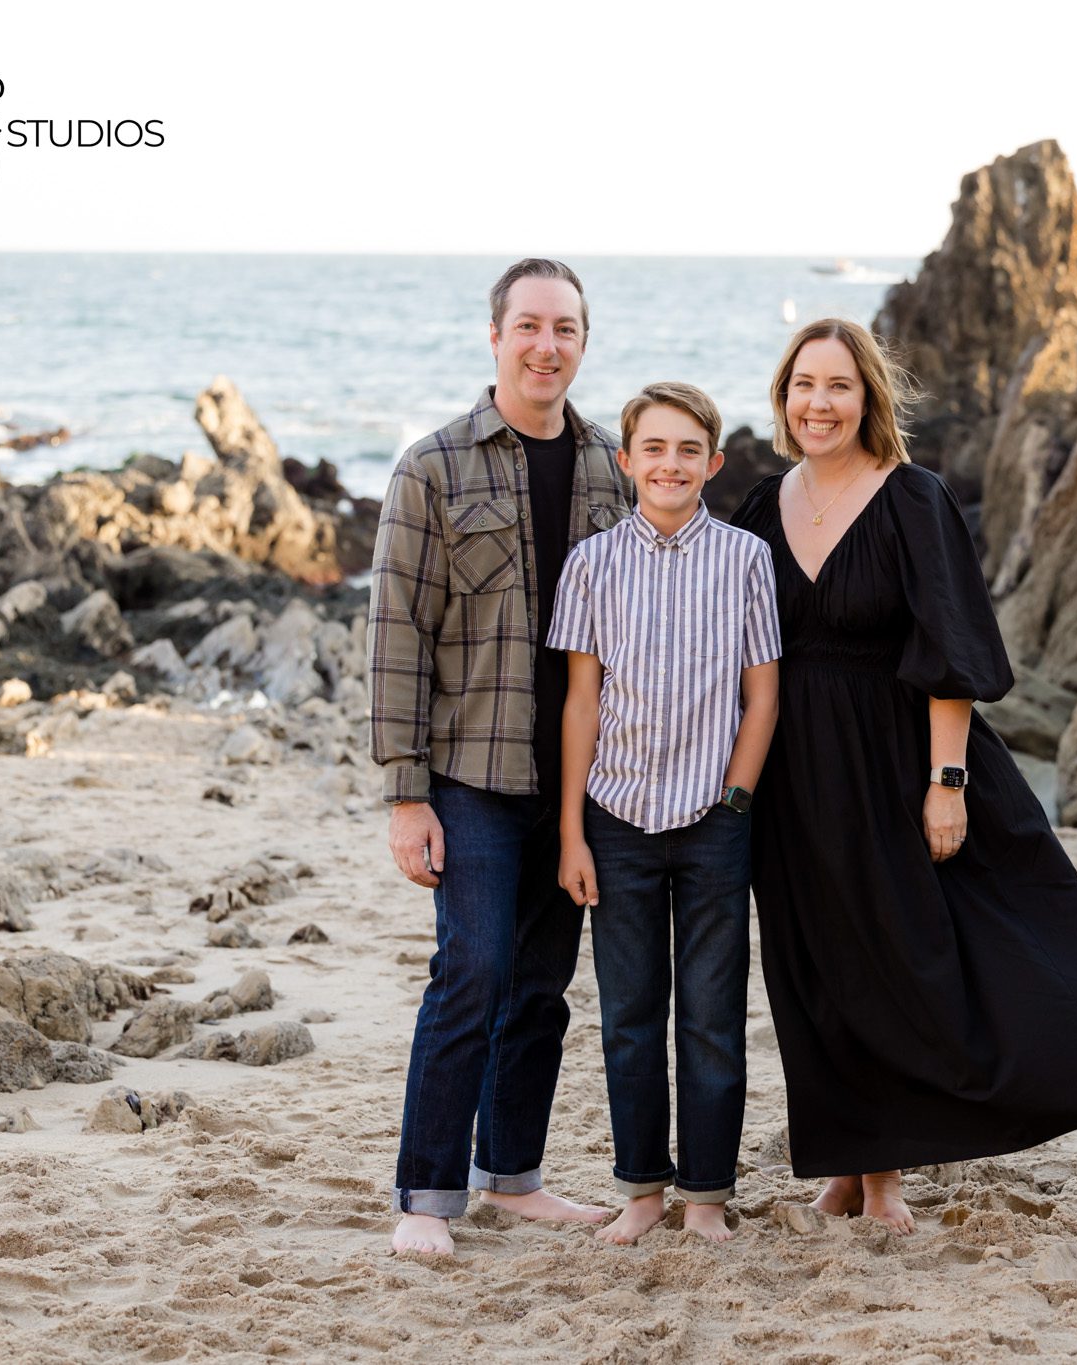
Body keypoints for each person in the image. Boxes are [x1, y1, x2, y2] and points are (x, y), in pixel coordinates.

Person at [730, 318, 1077, 1233]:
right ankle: (844, 1161)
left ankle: (886, 1180)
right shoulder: (761, 505)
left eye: (838, 386)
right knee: (813, 964)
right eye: (804, 386)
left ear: (868, 396)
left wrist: (946, 779)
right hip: (795, 771)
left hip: (896, 757)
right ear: (783, 397)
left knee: (900, 957)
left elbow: (950, 646)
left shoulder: (913, 498)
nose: (818, 403)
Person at [367, 258, 632, 1257]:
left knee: (539, 990)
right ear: (494, 337)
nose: (545, 345)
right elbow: (395, 635)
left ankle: (511, 1177)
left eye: (565, 328)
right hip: (470, 780)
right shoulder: (430, 467)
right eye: (528, 326)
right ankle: (425, 1197)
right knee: (469, 973)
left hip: (577, 785)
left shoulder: (612, 468)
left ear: (581, 341)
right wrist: (404, 796)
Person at [549, 381, 781, 1245]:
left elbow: (763, 697)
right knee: (631, 1017)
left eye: (689, 450)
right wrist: (573, 830)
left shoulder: (746, 560)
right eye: (654, 448)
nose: (671, 464)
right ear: (627, 460)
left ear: (713, 464)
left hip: (716, 820)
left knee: (714, 1016)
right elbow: (581, 703)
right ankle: (642, 1190)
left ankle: (708, 1197)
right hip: (616, 818)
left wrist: (738, 797)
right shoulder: (593, 564)